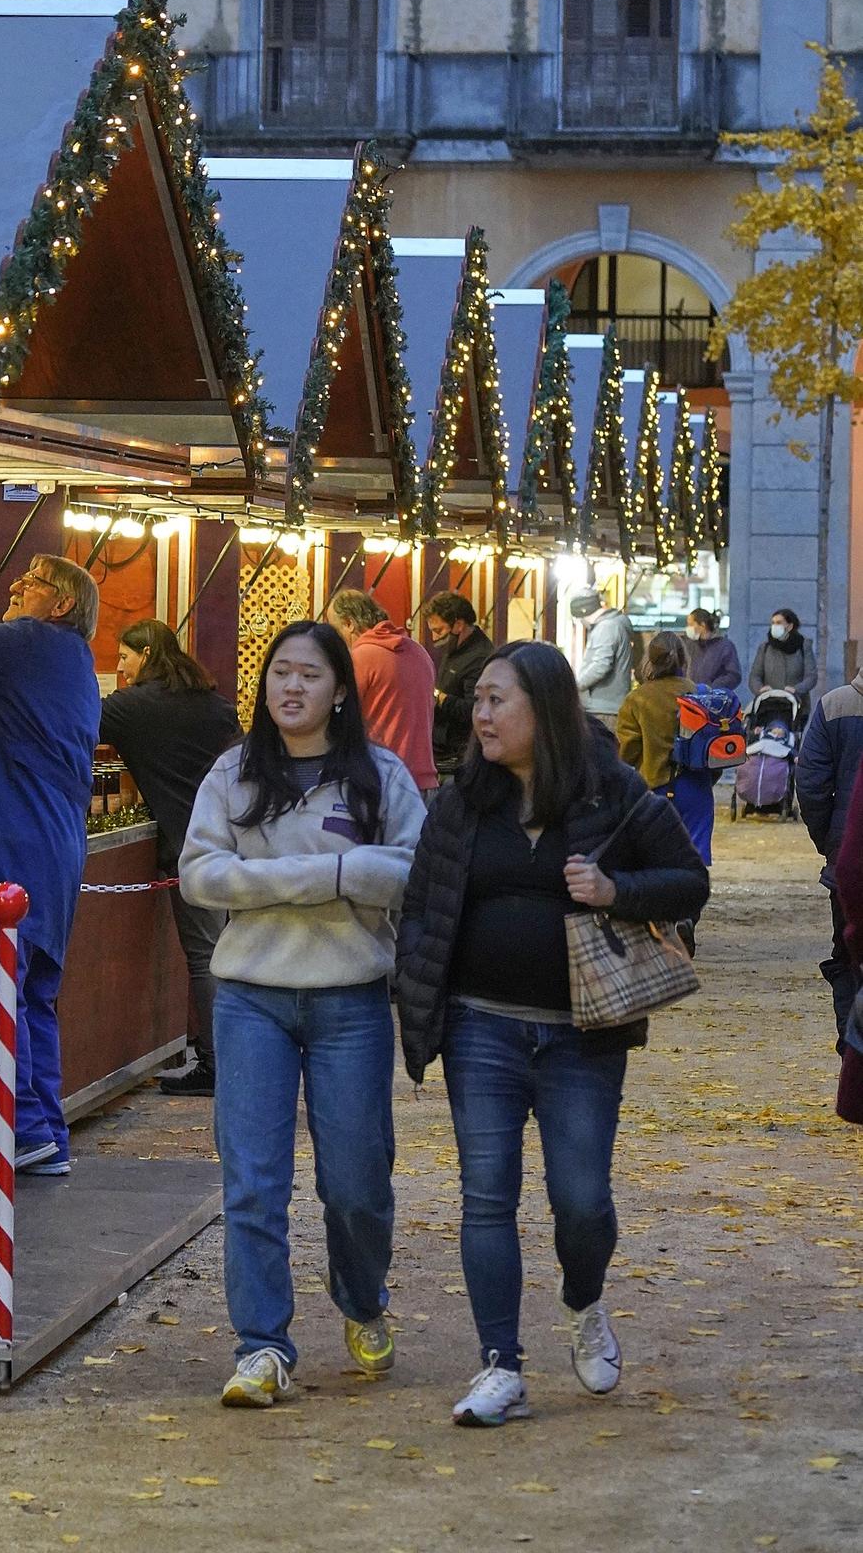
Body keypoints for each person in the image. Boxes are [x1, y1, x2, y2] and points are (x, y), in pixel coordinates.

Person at [393, 641, 708, 1428]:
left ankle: (583, 1299)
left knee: (581, 1202)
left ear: (546, 708)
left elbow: (688, 881)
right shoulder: (463, 802)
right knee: (485, 1199)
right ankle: (500, 1365)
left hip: (582, 1035)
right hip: (481, 1029)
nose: (482, 713)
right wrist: (421, 1009)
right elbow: (423, 911)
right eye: (481, 701)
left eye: (499, 700)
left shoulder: (611, 792)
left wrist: (613, 889)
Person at [180, 621, 427, 1408]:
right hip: (249, 997)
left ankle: (361, 1298)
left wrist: (278, 874)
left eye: (309, 676)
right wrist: (335, 875)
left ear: (339, 693)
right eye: (279, 674)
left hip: (350, 1000)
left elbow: (410, 871)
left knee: (354, 1181)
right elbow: (199, 875)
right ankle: (261, 1345)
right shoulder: (232, 773)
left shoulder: (379, 776)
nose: (291, 688)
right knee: (252, 1182)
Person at [0, 554, 101, 1181]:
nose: (14, 589)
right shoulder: (76, 663)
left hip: (10, 851)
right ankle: (45, 1134)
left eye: (31, 584)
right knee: (33, 997)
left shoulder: (34, 643)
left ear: (60, 605)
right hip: (55, 849)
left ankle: (20, 1133)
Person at [99, 619, 241, 1096]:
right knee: (225, 952)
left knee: (205, 957)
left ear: (144, 655)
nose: (119, 668)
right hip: (230, 840)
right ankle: (233, 1058)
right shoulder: (216, 705)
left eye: (123, 657)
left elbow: (77, 729)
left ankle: (220, 1067)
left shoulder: (127, 709)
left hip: (185, 845)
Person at [795, 660, 863, 1053]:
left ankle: (853, 1049)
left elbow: (811, 783)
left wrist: (831, 841)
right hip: (846, 856)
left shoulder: (833, 706)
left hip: (850, 862)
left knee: (849, 955)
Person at [617, 631, 717, 865]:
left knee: (654, 858)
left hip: (654, 789)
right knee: (694, 860)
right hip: (698, 788)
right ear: (683, 660)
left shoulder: (638, 699)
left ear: (649, 661)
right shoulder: (701, 694)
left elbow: (626, 753)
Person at [327, 588, 438, 796]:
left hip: (380, 778)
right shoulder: (419, 652)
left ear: (349, 623)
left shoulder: (361, 657)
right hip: (423, 780)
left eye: (335, 629)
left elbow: (339, 718)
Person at [423, 592, 494, 775]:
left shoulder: (480, 656)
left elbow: (474, 709)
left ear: (459, 625)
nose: (433, 638)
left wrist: (438, 697)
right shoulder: (454, 648)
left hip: (458, 758)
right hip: (440, 750)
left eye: (439, 631)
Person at [828, 765, 863, 1127]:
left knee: (843, 968)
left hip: (840, 843)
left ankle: (845, 1045)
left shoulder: (834, 706)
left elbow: (853, 869)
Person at [569, 589, 634, 730]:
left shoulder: (606, 627)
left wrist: (574, 685)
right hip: (608, 707)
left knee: (600, 750)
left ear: (583, 612)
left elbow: (600, 665)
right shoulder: (613, 624)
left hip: (603, 709)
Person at [747, 607, 818, 717]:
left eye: (779, 623)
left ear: (789, 626)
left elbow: (811, 676)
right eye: (773, 623)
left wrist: (796, 689)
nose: (775, 626)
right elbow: (755, 675)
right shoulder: (765, 648)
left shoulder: (803, 647)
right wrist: (760, 689)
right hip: (768, 705)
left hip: (796, 706)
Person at [684, 607, 741, 693]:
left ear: (702, 625)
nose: (688, 628)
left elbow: (733, 675)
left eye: (691, 624)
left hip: (715, 698)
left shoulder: (725, 646)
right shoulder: (690, 645)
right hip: (691, 698)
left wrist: (712, 688)